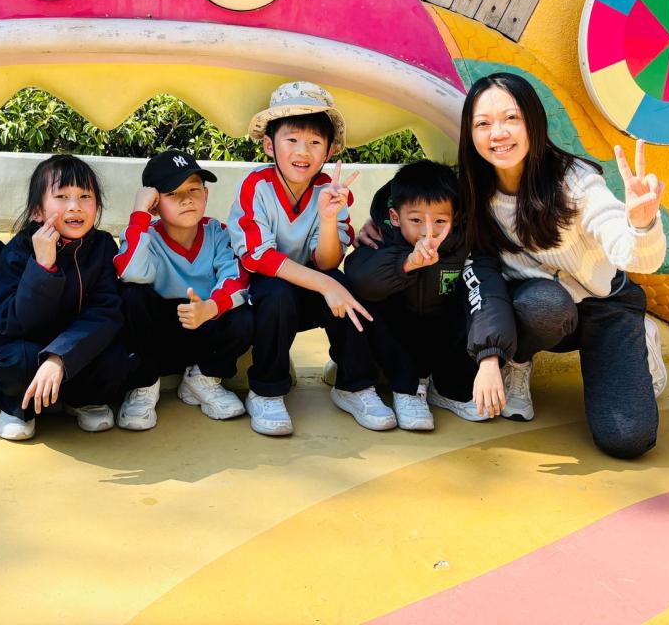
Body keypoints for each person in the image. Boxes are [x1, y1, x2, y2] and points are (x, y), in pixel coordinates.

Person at [460, 71, 668, 459]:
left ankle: (641, 339)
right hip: (544, 310)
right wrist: (379, 227)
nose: (498, 133)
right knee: (545, 303)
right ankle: (518, 362)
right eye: (483, 124)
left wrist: (641, 225)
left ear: (533, 122)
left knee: (628, 440)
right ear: (469, 134)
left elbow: (637, 256)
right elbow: (418, 203)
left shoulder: (576, 182)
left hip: (605, 305)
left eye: (511, 118)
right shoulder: (474, 193)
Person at [226, 81, 393, 436]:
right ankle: (266, 390)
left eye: (315, 142)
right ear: (269, 145)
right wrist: (325, 285)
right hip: (264, 299)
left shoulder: (330, 191)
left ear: (329, 150)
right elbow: (259, 258)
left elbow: (328, 263)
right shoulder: (256, 187)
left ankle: (354, 385)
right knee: (278, 291)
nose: (303, 151)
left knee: (348, 285)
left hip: (310, 290)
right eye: (291, 139)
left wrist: (329, 218)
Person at [345, 160, 512, 430]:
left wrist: (490, 357)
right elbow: (360, 278)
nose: (428, 231)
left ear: (454, 217)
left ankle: (449, 389)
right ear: (396, 217)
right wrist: (406, 264)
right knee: (359, 299)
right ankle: (406, 390)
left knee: (473, 302)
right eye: (416, 220)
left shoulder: (464, 245)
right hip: (396, 339)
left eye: (440, 221)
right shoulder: (380, 238)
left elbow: (488, 293)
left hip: (439, 333)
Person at [0, 155, 130, 442]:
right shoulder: (18, 251)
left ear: (97, 207)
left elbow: (105, 313)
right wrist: (42, 267)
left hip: (74, 353)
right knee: (16, 361)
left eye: (85, 196)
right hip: (29, 350)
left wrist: (60, 357)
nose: (75, 206)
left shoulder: (102, 247)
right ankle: (18, 408)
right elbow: (12, 322)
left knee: (118, 358)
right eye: (62, 196)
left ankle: (82, 400)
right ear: (37, 212)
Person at [113, 149, 253, 429]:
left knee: (245, 315)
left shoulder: (218, 233)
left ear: (206, 194)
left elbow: (238, 279)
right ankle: (144, 385)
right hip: (158, 340)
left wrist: (210, 307)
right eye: (172, 193)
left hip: (205, 329)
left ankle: (202, 379)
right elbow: (129, 271)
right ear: (155, 204)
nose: (186, 199)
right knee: (132, 296)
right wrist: (139, 214)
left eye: (193, 189)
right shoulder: (147, 236)